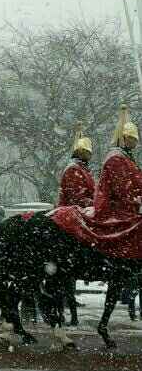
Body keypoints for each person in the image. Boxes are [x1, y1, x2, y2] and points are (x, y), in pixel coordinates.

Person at [51, 106, 142, 261]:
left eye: (136, 139)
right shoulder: (114, 159)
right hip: (115, 211)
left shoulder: (123, 159)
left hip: (123, 207)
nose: (89, 154)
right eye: (132, 139)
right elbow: (122, 191)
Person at [57, 125, 96, 207]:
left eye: (89, 152)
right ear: (78, 152)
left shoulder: (84, 170)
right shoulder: (73, 170)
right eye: (85, 151)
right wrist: (96, 204)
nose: (89, 155)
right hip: (73, 211)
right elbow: (77, 199)